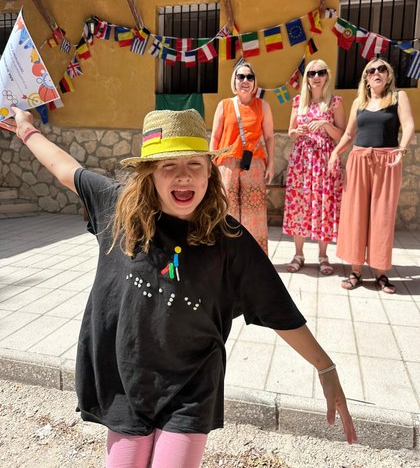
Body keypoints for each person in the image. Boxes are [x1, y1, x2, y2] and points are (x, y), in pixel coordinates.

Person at [5, 106, 357, 468]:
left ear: (210, 172)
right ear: (149, 175)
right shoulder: (117, 208)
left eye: (194, 164)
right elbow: (65, 169)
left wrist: (325, 368)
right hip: (126, 382)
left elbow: (278, 309)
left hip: (191, 387)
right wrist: (26, 130)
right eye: (168, 166)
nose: (183, 176)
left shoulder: (230, 239)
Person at [329, 58, 415, 294]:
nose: (376, 72)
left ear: (388, 75)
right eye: (371, 70)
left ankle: (380, 272)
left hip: (387, 160)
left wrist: (402, 149)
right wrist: (336, 153)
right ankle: (356, 271)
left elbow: (407, 126)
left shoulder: (398, 97)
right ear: (366, 78)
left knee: (382, 215)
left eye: (381, 69)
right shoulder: (360, 101)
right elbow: (348, 134)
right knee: (355, 214)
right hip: (359, 160)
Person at [283, 60, 346, 275]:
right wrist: (297, 131)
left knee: (323, 205)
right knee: (298, 204)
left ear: (327, 76)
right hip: (302, 160)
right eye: (311, 73)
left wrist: (326, 125)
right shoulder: (298, 101)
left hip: (324, 161)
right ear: (306, 78)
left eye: (320, 72)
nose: (316, 76)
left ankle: (323, 255)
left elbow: (342, 136)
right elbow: (290, 132)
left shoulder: (335, 102)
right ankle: (298, 254)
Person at [210, 62, 274, 254]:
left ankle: (254, 255)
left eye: (249, 77)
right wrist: (211, 165)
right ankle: (226, 253)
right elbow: (214, 136)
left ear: (254, 83)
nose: (245, 81)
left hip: (253, 164)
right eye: (241, 77)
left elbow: (269, 136)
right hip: (227, 164)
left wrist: (271, 163)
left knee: (253, 213)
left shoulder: (263, 105)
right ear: (234, 81)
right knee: (226, 210)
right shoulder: (224, 105)